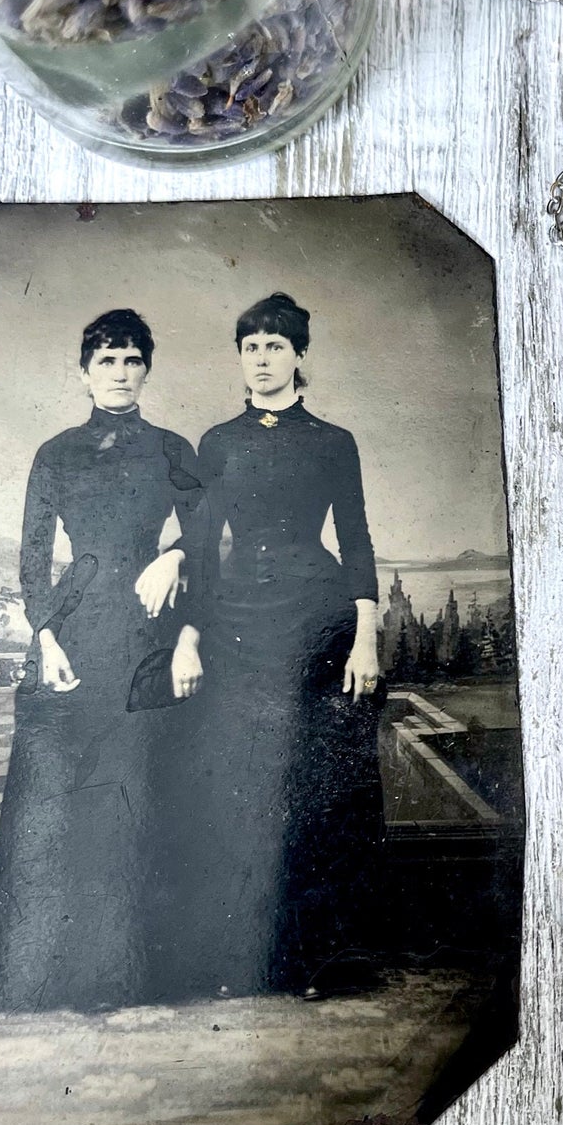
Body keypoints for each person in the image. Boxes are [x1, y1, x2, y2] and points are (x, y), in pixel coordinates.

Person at [147, 292, 385, 1002]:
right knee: (237, 782)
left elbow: (358, 539)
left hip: (317, 617)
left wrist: (365, 636)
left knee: (313, 787)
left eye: (275, 346)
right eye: (250, 346)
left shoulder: (332, 440)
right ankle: (239, 958)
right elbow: (200, 541)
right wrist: (186, 631)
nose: (261, 358)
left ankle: (319, 959)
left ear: (299, 356)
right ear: (240, 357)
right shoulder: (219, 442)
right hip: (236, 622)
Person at [0, 310, 204, 1012]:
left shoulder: (171, 446)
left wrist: (173, 553)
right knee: (64, 791)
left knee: (138, 783)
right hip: (73, 631)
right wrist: (44, 636)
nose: (119, 372)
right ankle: (54, 967)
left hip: (145, 630)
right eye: (106, 360)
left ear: (147, 369)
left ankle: (135, 967)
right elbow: (30, 555)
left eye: (132, 359)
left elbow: (210, 520)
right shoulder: (55, 452)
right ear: (84, 371)